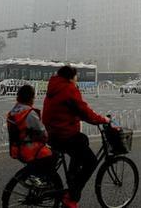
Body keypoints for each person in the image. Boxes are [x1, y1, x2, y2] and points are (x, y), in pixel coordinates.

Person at [42, 65, 109, 208]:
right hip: (64, 134)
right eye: (76, 77)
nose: (77, 79)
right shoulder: (68, 89)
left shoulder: (54, 87)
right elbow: (84, 111)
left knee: (83, 139)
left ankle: (72, 176)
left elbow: (73, 110)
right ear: (70, 77)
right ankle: (72, 196)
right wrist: (103, 119)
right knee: (91, 162)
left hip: (52, 133)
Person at [6, 84, 54, 179]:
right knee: (53, 156)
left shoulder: (14, 111)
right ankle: (42, 180)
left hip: (16, 148)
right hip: (30, 149)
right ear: (31, 98)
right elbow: (43, 133)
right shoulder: (29, 113)